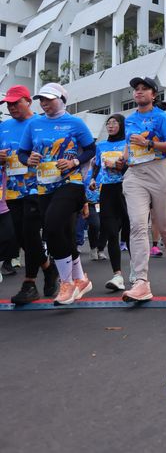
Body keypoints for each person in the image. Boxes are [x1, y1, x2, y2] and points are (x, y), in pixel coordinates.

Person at [16, 82, 96, 305]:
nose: (44, 103)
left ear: (62, 100)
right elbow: (22, 152)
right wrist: (28, 159)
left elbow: (91, 148)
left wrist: (74, 162)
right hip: (44, 186)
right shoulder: (34, 124)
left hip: (71, 183)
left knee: (51, 228)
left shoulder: (75, 122)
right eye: (41, 99)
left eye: (49, 99)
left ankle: (67, 283)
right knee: (61, 233)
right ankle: (80, 279)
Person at [121, 77, 166, 302]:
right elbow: (130, 145)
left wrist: (149, 143)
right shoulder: (129, 119)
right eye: (136, 89)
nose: (138, 92)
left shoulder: (161, 117)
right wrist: (123, 158)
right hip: (135, 174)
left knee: (165, 224)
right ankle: (141, 281)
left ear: (153, 95)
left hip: (161, 170)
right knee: (138, 225)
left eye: (144, 89)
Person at [0, 85, 37, 279]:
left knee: (34, 232)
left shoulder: (41, 122)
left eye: (16, 103)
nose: (11, 107)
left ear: (28, 101)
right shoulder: (4, 126)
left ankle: (34, 278)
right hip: (12, 191)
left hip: (39, 188)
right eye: (8, 104)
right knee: (19, 235)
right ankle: (46, 267)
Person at [90, 114, 130, 291]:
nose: (111, 126)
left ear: (122, 125)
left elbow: (135, 165)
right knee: (112, 232)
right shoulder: (101, 146)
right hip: (107, 190)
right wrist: (93, 179)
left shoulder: (128, 143)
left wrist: (120, 166)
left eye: (115, 123)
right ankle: (117, 275)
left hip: (127, 189)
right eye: (108, 123)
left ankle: (137, 272)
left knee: (130, 231)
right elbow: (97, 165)